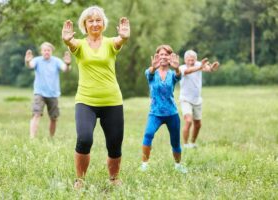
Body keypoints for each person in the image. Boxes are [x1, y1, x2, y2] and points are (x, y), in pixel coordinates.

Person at [61, 6, 130, 188]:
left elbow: (119, 42)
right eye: (90, 20)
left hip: (112, 101)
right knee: (84, 139)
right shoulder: (80, 45)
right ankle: (80, 180)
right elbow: (72, 45)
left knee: (114, 143)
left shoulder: (110, 43)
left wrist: (123, 37)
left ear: (103, 24)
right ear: (84, 24)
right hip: (86, 101)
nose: (94, 23)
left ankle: (114, 178)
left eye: (98, 20)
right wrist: (67, 41)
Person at [140, 45, 187, 173]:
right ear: (157, 57)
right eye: (161, 54)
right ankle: (144, 164)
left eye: (166, 54)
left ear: (170, 57)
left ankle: (178, 166)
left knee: (175, 142)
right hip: (155, 113)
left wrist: (177, 67)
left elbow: (178, 75)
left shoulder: (172, 74)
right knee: (148, 134)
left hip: (171, 113)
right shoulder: (151, 72)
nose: (163, 57)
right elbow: (149, 73)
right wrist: (153, 67)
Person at [25, 42, 71, 139]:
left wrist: (67, 64)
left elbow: (65, 69)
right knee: (36, 114)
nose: (46, 52)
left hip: (53, 94)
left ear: (51, 52)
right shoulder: (37, 60)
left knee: (53, 118)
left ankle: (51, 138)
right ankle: (32, 138)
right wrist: (28, 61)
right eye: (44, 50)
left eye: (48, 50)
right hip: (39, 93)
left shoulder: (56, 61)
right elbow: (30, 65)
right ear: (41, 51)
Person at [179, 50, 219, 148]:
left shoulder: (198, 64)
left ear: (196, 59)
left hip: (197, 99)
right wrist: (200, 67)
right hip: (185, 99)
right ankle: (185, 144)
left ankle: (192, 143)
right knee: (188, 121)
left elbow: (207, 68)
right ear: (185, 60)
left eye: (193, 60)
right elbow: (188, 71)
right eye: (188, 60)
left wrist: (212, 68)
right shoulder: (181, 68)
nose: (191, 62)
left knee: (198, 124)